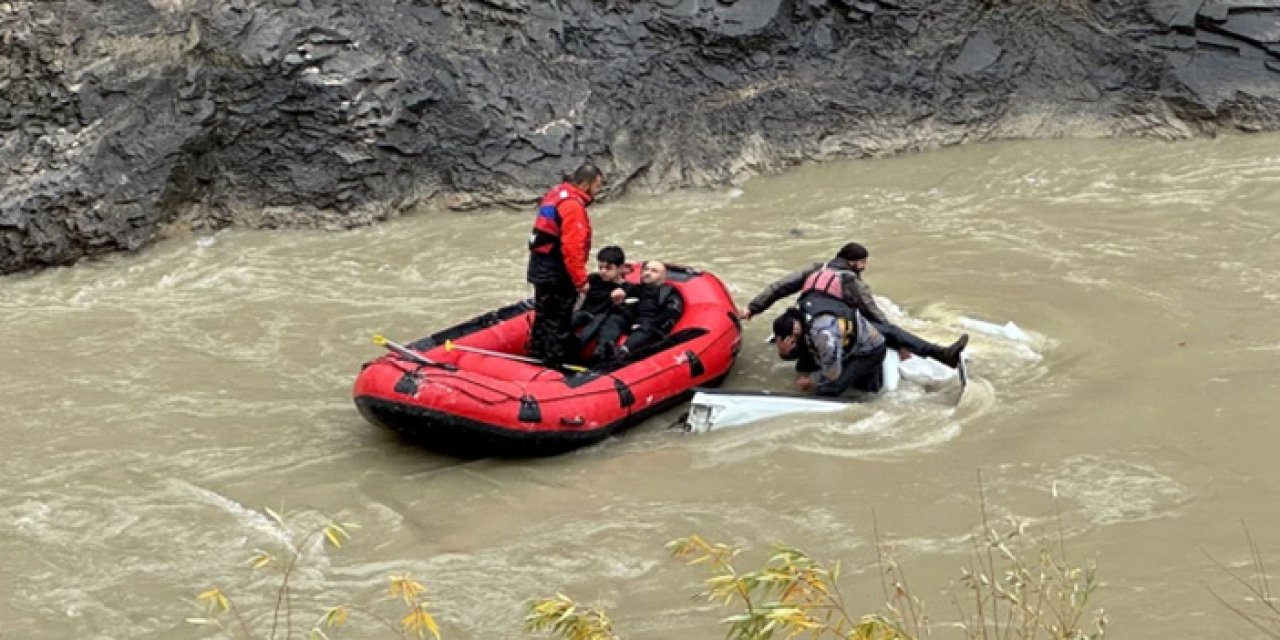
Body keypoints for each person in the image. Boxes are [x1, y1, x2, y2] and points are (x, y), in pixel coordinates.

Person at [742, 242, 968, 368]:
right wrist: (898, 343)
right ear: (853, 263)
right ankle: (941, 354)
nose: (864, 268)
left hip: (804, 321)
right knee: (889, 331)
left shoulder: (816, 268)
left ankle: (800, 362)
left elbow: (779, 287)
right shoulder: (850, 281)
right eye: (862, 263)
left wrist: (753, 308)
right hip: (830, 328)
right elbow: (873, 313)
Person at [526, 163, 604, 368]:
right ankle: (554, 366)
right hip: (556, 272)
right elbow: (572, 248)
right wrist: (581, 281)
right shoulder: (573, 206)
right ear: (586, 184)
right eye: (597, 186)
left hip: (539, 266)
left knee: (544, 316)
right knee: (558, 321)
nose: (597, 191)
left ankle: (536, 355)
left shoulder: (557, 193)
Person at [769, 295, 887, 397]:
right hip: (843, 343)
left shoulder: (823, 333)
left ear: (794, 333)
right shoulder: (799, 316)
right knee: (803, 367)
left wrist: (810, 380)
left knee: (828, 389)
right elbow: (803, 349)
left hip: (868, 351)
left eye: (791, 341)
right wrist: (784, 353)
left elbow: (832, 373)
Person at [615, 260, 683, 360]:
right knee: (615, 318)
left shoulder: (668, 292)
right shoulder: (637, 289)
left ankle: (623, 351)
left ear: (663, 276)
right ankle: (602, 348)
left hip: (652, 326)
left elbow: (672, 313)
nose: (648, 273)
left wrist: (643, 324)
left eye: (654, 271)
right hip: (633, 323)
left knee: (646, 327)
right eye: (646, 269)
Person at [574, 245, 632, 362]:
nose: (603, 271)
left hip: (606, 320)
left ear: (620, 268)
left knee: (610, 324)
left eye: (608, 268)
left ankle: (600, 354)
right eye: (601, 267)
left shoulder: (627, 289)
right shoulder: (593, 279)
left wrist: (619, 302)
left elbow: (628, 315)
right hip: (586, 315)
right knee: (575, 317)